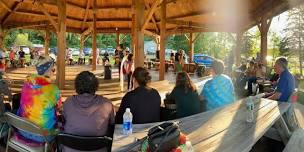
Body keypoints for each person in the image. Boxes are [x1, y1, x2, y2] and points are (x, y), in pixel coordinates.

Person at [63, 71, 115, 152]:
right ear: (95, 86)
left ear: (77, 86)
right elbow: (113, 124)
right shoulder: (107, 104)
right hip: (99, 149)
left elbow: (64, 120)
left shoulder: (68, 102)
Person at [17, 56, 62, 143]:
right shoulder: (53, 89)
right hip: (42, 135)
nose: (54, 72)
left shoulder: (27, 83)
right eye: (53, 70)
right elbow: (59, 108)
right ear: (49, 70)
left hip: (23, 130)